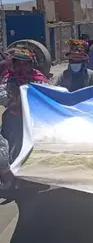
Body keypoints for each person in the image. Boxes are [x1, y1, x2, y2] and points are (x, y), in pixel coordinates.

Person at [0, 45, 49, 187]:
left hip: (34, 121)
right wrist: (12, 101)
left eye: (25, 63)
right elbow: (2, 95)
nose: (22, 66)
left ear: (31, 64)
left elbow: (47, 95)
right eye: (18, 63)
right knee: (12, 148)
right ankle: (13, 178)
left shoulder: (38, 78)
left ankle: (35, 179)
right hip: (13, 120)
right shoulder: (9, 78)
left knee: (34, 150)